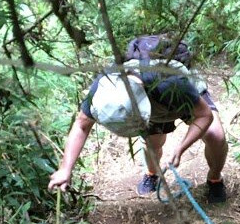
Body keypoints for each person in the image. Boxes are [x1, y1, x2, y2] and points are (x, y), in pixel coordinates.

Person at [48, 36, 228, 203]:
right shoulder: (102, 88)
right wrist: (65, 168)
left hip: (179, 95)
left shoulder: (171, 82)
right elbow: (81, 125)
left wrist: (181, 148)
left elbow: (204, 116)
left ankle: (214, 178)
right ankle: (152, 173)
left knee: (216, 136)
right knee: (153, 144)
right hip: (153, 99)